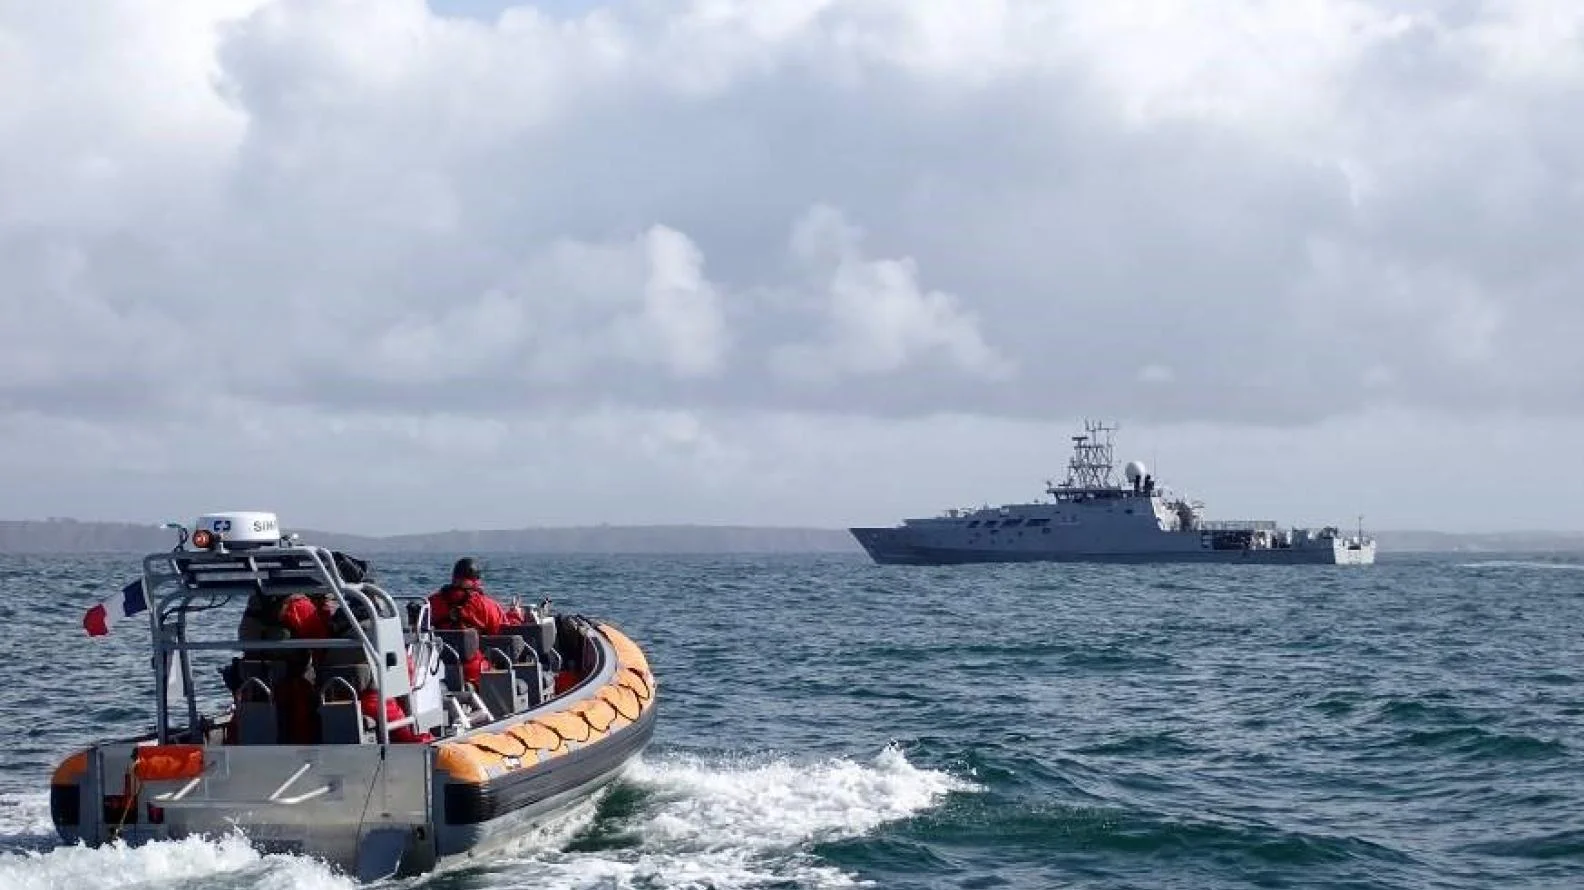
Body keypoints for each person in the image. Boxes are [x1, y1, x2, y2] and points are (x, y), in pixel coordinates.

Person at [427, 557, 513, 686]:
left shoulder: (431, 602)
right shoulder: (486, 605)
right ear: (476, 579)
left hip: (436, 667)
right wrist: (514, 614)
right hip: (473, 670)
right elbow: (501, 632)